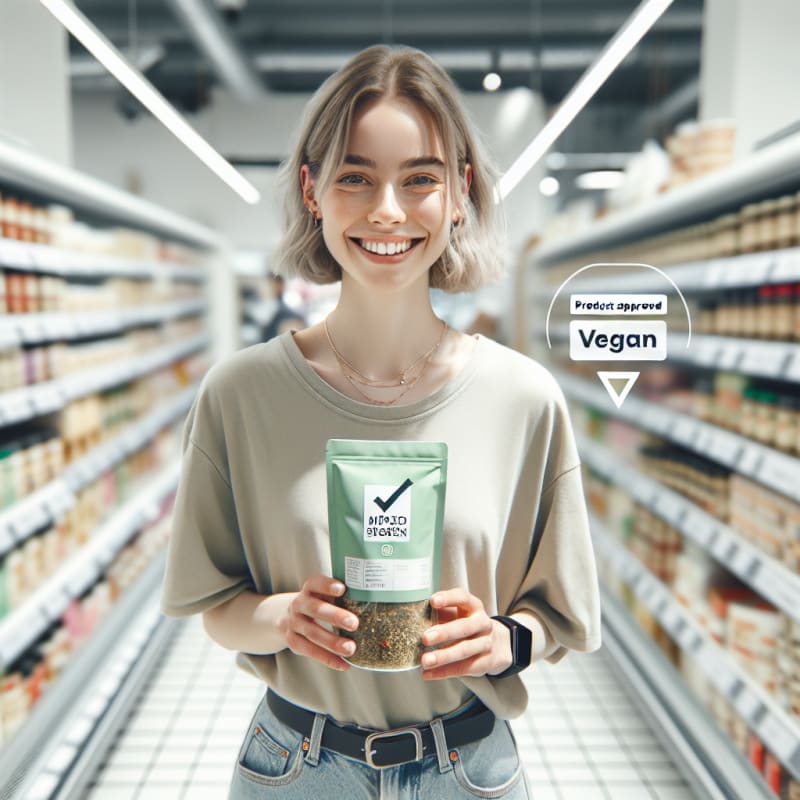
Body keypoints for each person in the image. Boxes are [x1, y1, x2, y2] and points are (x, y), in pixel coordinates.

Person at [160, 44, 601, 799]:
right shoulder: (241, 393)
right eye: (355, 177)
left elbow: (555, 615)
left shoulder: (523, 398)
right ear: (312, 191)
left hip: (471, 769)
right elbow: (216, 608)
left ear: (459, 193)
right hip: (296, 765)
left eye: (420, 178)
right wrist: (281, 618)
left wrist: (504, 639)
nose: (388, 210)